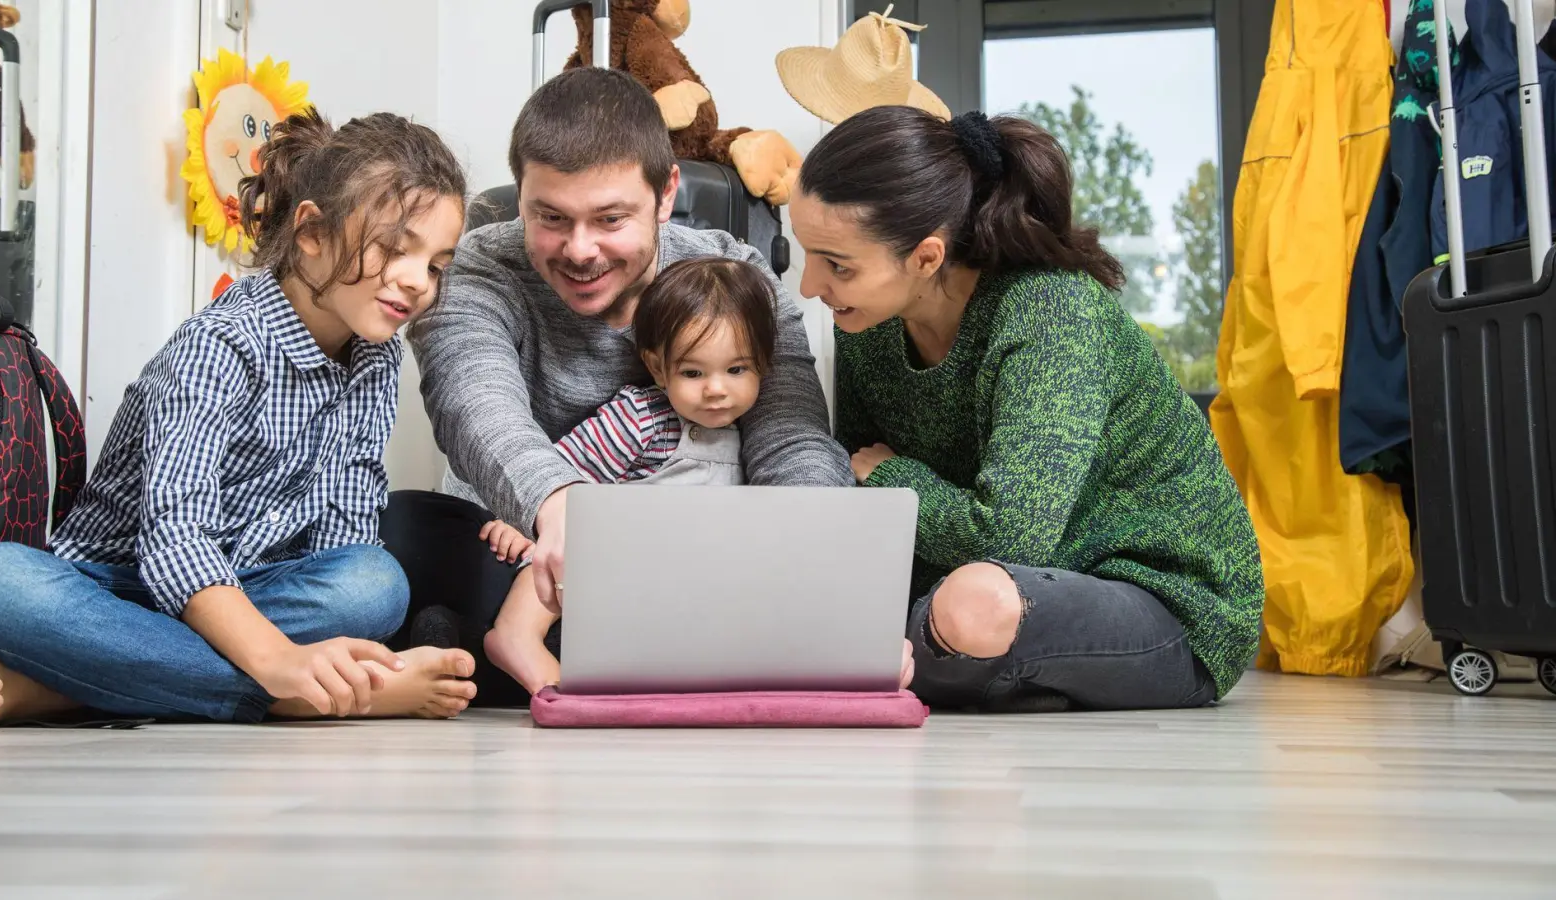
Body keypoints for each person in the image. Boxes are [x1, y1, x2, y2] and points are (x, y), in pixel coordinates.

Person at [0, 109, 478, 730]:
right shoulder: (219, 345)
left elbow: (343, 538)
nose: (418, 282)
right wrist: (280, 661)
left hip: (251, 592)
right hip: (118, 588)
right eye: (395, 250)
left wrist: (279, 634)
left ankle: (69, 686)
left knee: (375, 583)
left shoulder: (378, 356)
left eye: (436, 265)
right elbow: (175, 542)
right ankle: (286, 695)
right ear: (311, 231)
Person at [391, 67, 855, 706]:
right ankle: (527, 645)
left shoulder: (740, 281)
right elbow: (473, 402)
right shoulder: (476, 266)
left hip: (691, 557)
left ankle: (479, 654)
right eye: (549, 217)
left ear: (665, 195)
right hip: (521, 554)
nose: (580, 251)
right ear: (520, 197)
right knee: (405, 532)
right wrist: (558, 505)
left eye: (610, 219)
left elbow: (790, 438)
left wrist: (821, 568)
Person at [789, 105, 1265, 712]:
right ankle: (978, 670)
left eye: (837, 265)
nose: (809, 286)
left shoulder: (1051, 311)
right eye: (807, 253)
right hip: (997, 580)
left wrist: (891, 478)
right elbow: (873, 516)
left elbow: (1013, 535)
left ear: (927, 257)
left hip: (1165, 601)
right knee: (860, 622)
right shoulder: (868, 329)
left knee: (973, 607)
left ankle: (958, 664)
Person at [479, 256, 776, 695]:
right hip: (614, 573)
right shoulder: (641, 418)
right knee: (577, 537)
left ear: (763, 366)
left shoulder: (755, 438)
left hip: (679, 592)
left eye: (736, 370)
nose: (716, 389)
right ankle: (517, 633)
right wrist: (517, 523)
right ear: (658, 368)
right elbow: (556, 477)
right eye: (693, 372)